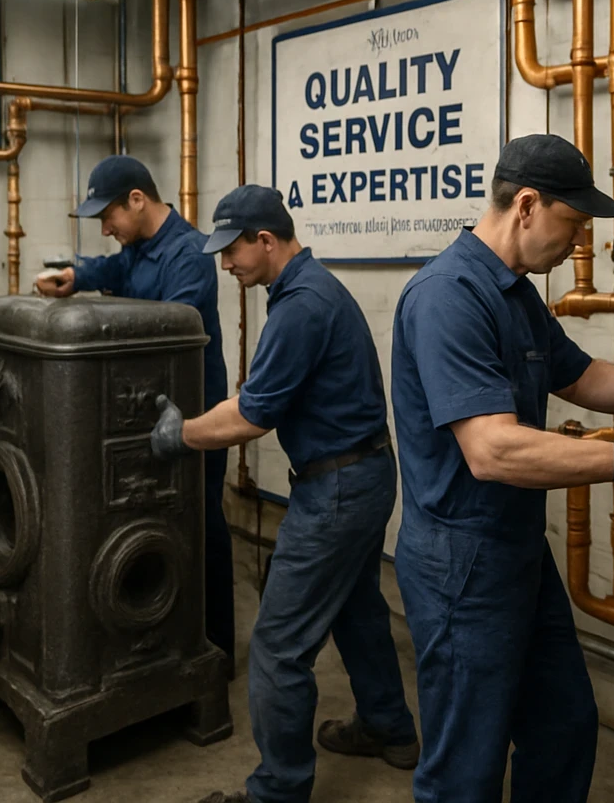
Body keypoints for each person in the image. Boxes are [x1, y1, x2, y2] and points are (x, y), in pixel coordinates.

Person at [390, 133, 614, 802]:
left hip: (515, 553)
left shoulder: (514, 294)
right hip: (463, 563)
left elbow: (579, 377)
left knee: (563, 723)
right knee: (467, 766)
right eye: (572, 224)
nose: (580, 244)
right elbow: (492, 449)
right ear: (526, 205)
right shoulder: (448, 297)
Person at [148, 185, 419, 803]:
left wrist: (181, 434)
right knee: (356, 612)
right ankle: (390, 728)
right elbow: (261, 395)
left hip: (338, 492)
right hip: (363, 475)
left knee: (278, 646)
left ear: (265, 240)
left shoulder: (301, 306)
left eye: (232, 252)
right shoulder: (307, 291)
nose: (224, 265)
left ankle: (277, 791)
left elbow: (253, 415)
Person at [34, 156, 235, 664]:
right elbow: (111, 268)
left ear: (138, 200)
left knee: (200, 526)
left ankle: (214, 646)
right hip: (147, 414)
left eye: (109, 216)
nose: (106, 228)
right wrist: (74, 276)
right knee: (152, 526)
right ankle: (159, 635)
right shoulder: (137, 248)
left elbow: (166, 330)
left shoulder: (187, 254)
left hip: (190, 415)